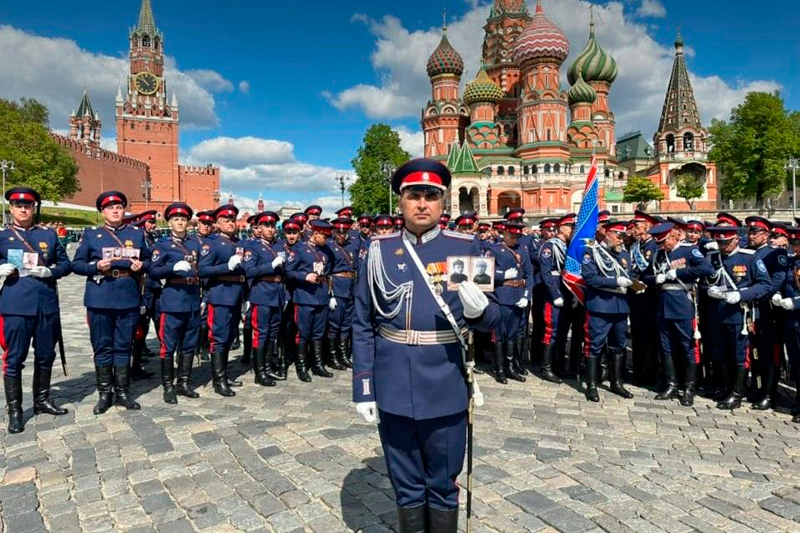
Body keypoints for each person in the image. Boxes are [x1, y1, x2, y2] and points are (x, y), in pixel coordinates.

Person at [352, 158, 500, 532]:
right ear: (400, 201)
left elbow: (496, 319)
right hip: (393, 382)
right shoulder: (378, 252)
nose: (422, 203)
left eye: (431, 196)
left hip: (445, 381)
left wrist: (480, 313)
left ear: (442, 202)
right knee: (405, 486)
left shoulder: (464, 247)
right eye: (413, 195)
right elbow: (363, 324)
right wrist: (364, 387)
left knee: (442, 483)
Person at [0, 187, 71, 433]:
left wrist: (51, 271)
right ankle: (16, 410)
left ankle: (41, 400)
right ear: (11, 208)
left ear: (33, 208)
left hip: (45, 304)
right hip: (16, 305)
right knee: (14, 358)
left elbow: (65, 264)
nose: (23, 209)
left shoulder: (49, 236)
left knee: (45, 355)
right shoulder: (3, 236)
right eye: (18, 205)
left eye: (28, 206)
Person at [72, 191, 150, 414]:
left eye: (119, 206)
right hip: (101, 296)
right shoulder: (91, 235)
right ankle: (105, 394)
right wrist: (95, 267)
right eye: (111, 207)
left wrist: (141, 266)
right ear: (102, 212)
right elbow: (76, 265)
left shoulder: (136, 234)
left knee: (124, 345)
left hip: (127, 295)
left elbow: (149, 260)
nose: (116, 210)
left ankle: (123, 392)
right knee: (102, 346)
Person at [643, 223, 714, 406]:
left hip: (682, 303)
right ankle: (671, 385)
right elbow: (646, 276)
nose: (660, 246)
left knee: (686, 347)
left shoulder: (689, 251)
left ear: (673, 238)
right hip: (663, 305)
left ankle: (689, 388)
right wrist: (654, 279)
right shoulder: (659, 254)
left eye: (663, 242)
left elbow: (707, 269)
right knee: (666, 348)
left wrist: (680, 272)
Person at [704, 226, 771, 410]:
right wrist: (710, 290)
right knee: (720, 353)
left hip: (739, 315)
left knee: (740, 355)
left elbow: (765, 285)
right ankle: (726, 387)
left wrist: (742, 294)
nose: (723, 246)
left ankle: (737, 392)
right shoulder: (713, 258)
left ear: (735, 240)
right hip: (718, 313)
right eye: (719, 242)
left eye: (726, 242)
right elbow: (704, 281)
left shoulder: (749, 258)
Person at [148, 203, 202, 403]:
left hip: (192, 299)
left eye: (183, 219)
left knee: (189, 345)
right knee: (168, 346)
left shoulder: (195, 244)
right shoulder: (162, 246)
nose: (180, 222)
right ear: (169, 222)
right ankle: (168, 386)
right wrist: (172, 268)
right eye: (176, 219)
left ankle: (184, 383)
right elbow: (153, 271)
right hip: (173, 299)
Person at [197, 204, 246, 397]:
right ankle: (219, 380)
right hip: (221, 297)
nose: (231, 223)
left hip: (235, 296)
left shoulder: (237, 243)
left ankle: (224, 374)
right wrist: (226, 266)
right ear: (217, 223)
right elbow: (203, 270)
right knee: (218, 339)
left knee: (228, 338)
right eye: (227, 220)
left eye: (233, 220)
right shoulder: (213, 243)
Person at [744, 216, 788, 411]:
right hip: (753, 308)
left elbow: (777, 279)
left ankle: (769, 393)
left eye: (755, 233)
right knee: (756, 351)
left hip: (769, 309)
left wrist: (758, 294)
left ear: (766, 235)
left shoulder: (775, 254)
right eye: (749, 232)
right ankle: (758, 387)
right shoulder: (750, 253)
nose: (751, 236)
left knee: (770, 353)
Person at [285, 219, 335, 381]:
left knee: (319, 333)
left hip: (320, 296)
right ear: (316, 233)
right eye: (324, 236)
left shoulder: (325, 250)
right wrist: (304, 276)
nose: (327, 240)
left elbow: (328, 270)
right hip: (305, 297)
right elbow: (288, 271)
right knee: (303, 333)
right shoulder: (299, 249)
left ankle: (318, 365)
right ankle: (302, 366)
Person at [485, 220, 532, 384]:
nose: (515, 239)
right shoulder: (494, 250)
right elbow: (484, 271)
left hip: (518, 296)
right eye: (512, 236)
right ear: (504, 233)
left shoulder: (523, 250)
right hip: (502, 296)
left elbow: (529, 275)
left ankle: (510, 367)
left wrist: (526, 295)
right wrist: (502, 275)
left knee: (512, 334)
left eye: (518, 236)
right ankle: (499, 369)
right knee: (500, 335)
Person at [243, 211, 285, 386]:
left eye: (272, 225)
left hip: (277, 294)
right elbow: (249, 271)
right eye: (266, 225)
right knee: (261, 333)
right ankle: (259, 373)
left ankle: (267, 368)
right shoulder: (253, 247)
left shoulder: (278, 246)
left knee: (272, 333)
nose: (270, 229)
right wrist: (270, 266)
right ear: (258, 227)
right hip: (262, 294)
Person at [538, 214, 575, 382]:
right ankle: (546, 368)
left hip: (565, 291)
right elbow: (545, 273)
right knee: (551, 331)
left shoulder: (567, 246)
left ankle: (559, 365)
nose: (572, 231)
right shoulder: (550, 246)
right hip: (553, 292)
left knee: (562, 331)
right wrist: (555, 294)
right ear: (561, 228)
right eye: (570, 228)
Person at [327, 217, 359, 370]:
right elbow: (326, 272)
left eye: (344, 232)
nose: (341, 235)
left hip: (350, 288)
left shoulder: (351, 247)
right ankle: (332, 357)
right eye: (338, 232)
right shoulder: (329, 247)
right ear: (333, 232)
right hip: (338, 288)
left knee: (346, 324)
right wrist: (330, 293)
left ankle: (343, 355)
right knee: (334, 324)